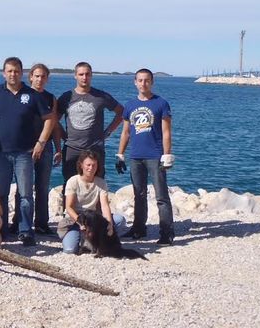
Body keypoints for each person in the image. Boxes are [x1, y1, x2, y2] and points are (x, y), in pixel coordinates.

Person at [0, 57, 55, 245]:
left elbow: (50, 119)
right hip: (1, 153)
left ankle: (25, 231)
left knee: (25, 195)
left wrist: (41, 142)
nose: (12, 74)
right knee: (1, 194)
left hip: (25, 153)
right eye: (9, 71)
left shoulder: (32, 95)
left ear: (22, 73)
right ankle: (3, 228)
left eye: (16, 71)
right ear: (3, 73)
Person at [117, 68, 175, 245]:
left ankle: (166, 232)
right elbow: (126, 132)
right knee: (138, 194)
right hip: (135, 157)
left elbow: (166, 132)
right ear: (135, 82)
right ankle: (138, 229)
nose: (143, 83)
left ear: (152, 82)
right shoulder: (130, 105)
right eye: (140, 80)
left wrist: (166, 154)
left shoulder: (161, 103)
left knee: (161, 196)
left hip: (155, 156)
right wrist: (120, 154)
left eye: (147, 80)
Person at [13, 64, 63, 235]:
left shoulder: (50, 98)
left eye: (43, 76)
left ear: (47, 78)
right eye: (37, 76)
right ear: (30, 77)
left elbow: (54, 125)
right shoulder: (22, 94)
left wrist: (58, 148)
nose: (40, 79)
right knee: (22, 188)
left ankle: (41, 222)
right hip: (24, 148)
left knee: (42, 186)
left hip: (46, 147)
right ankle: (18, 222)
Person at [57, 62, 123, 183]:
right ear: (75, 76)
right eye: (81, 74)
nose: (84, 77)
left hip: (95, 148)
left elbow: (121, 112)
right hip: (72, 149)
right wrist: (63, 136)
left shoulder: (101, 96)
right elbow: (54, 121)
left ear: (91, 75)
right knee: (70, 185)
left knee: (97, 184)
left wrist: (108, 132)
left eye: (87, 74)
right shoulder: (66, 97)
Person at [57, 150, 127, 254]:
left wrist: (109, 224)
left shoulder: (101, 183)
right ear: (81, 165)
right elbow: (69, 207)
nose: (91, 168)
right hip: (76, 220)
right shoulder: (73, 181)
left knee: (120, 220)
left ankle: (92, 240)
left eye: (94, 165)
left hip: (93, 220)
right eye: (88, 165)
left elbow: (104, 206)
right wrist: (80, 223)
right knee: (70, 250)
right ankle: (84, 238)